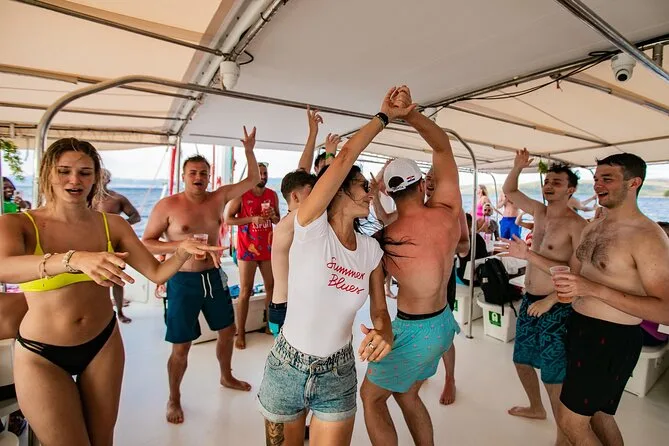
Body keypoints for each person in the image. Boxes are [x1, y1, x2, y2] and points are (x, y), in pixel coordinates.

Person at [0, 137, 217, 445]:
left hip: (102, 343)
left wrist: (181, 251)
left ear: (96, 178)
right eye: (64, 171)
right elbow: (4, 266)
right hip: (41, 354)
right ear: (48, 173)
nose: (75, 180)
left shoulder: (112, 225)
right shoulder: (18, 224)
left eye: (85, 173)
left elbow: (156, 272)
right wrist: (73, 259)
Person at [257, 86, 410, 446]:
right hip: (286, 367)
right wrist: (383, 118)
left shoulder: (370, 250)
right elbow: (343, 160)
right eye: (361, 185)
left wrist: (385, 332)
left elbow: (379, 310)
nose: (370, 192)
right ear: (339, 189)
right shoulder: (311, 228)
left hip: (338, 373)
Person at [360, 86, 461, 446]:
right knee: (406, 394)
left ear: (388, 193)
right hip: (444, 324)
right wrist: (411, 115)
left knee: (371, 398)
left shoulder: (386, 237)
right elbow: (442, 148)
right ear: (421, 186)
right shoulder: (447, 212)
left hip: (414, 330)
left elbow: (366, 285)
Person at [143, 127, 260, 424]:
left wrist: (248, 150)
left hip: (213, 277)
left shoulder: (218, 197)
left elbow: (252, 179)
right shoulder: (168, 205)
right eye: (193, 173)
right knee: (181, 345)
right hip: (182, 280)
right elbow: (147, 242)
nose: (198, 177)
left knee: (227, 330)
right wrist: (180, 246)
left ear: (209, 177)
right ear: (184, 176)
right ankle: (174, 398)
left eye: (203, 173)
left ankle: (226, 376)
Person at [551, 154, 669, 446]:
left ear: (634, 183)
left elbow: (665, 310)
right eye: (595, 179)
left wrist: (592, 289)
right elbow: (581, 276)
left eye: (607, 179)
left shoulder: (648, 237)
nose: (597, 185)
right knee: (600, 416)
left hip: (611, 338)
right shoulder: (593, 227)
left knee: (570, 422)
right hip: (579, 327)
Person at [502, 150, 587, 446]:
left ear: (570, 190)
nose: (549, 186)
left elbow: (575, 274)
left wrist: (550, 300)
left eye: (557, 183)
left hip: (556, 305)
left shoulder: (577, 226)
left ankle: (563, 434)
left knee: (553, 376)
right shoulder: (539, 212)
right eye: (547, 181)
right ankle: (536, 407)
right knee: (521, 361)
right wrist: (517, 167)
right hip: (530, 300)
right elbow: (510, 190)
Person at [265, 107, 339, 444]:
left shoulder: (298, 215)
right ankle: (297, 421)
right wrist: (332, 158)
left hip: (298, 308)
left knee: (308, 369)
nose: (320, 198)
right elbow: (320, 183)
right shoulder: (291, 224)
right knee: (295, 375)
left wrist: (313, 136)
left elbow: (302, 173)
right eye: (313, 193)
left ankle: (305, 421)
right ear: (296, 198)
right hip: (285, 312)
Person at [224, 160, 281, 348]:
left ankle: (270, 326)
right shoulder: (241, 195)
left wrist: (273, 216)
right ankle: (240, 332)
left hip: (267, 248)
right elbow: (228, 219)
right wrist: (251, 219)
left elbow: (278, 220)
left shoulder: (272, 195)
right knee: (245, 290)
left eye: (265, 173)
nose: (263, 176)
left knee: (271, 287)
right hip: (247, 249)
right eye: (260, 173)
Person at [95, 168, 141, 323]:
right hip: (92, 242)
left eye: (103, 177)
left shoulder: (117, 199)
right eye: (98, 177)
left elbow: (136, 217)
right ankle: (98, 312)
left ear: (108, 180)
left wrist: (119, 226)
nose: (100, 180)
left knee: (116, 278)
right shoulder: (86, 198)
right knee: (93, 277)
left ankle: (120, 312)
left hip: (113, 243)